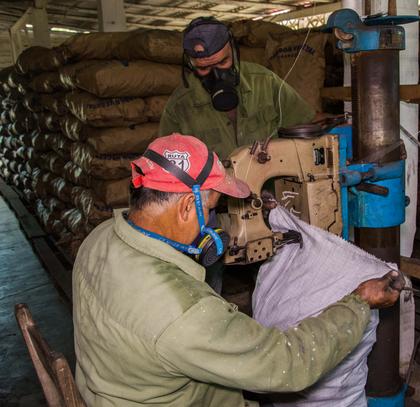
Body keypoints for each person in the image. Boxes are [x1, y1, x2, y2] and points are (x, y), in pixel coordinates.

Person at [72, 134, 401, 406]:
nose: (217, 222)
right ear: (188, 206)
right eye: (214, 209)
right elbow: (289, 364)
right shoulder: (183, 312)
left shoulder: (99, 238)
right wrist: (359, 301)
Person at [159, 17, 316, 159]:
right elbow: (169, 164)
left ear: (233, 51)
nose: (217, 74)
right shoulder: (179, 108)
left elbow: (305, 124)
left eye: (223, 62)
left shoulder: (265, 82)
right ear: (190, 64)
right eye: (204, 68)